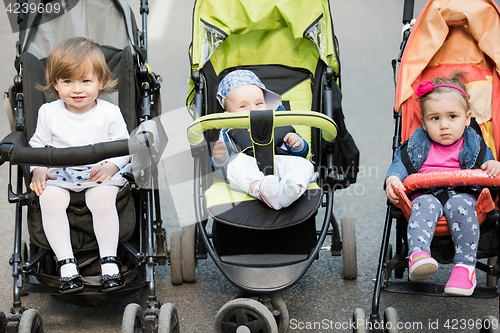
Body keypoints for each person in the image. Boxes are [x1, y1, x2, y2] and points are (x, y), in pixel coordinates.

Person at [385, 70, 500, 296]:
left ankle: (464, 268)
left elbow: (489, 171)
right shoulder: (418, 143)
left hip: (463, 195)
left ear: (467, 118)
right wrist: (393, 178)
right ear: (424, 122)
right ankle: (419, 256)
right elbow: (401, 162)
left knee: (460, 206)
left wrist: (493, 166)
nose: (444, 125)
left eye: (452, 117)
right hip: (426, 195)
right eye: (435, 118)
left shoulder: (474, 145)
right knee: (423, 205)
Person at [29, 37, 130, 294]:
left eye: (86, 81)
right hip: (62, 173)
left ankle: (108, 261)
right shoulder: (49, 113)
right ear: (55, 83)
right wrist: (38, 169)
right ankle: (66, 264)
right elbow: (37, 146)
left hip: (99, 173)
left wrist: (112, 167)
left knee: (101, 200)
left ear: (101, 82)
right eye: (67, 81)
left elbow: (125, 147)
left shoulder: (109, 113)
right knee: (48, 199)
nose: (77, 89)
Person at [212, 70, 316, 210]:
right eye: (243, 106)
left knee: (303, 164)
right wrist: (219, 159)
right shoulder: (228, 131)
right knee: (234, 165)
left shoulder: (278, 120)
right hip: (250, 170)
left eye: (259, 103)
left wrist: (297, 144)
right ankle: (262, 189)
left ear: (268, 105)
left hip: (279, 164)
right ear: (228, 115)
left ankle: (291, 191)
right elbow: (221, 170)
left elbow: (300, 153)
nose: (253, 110)